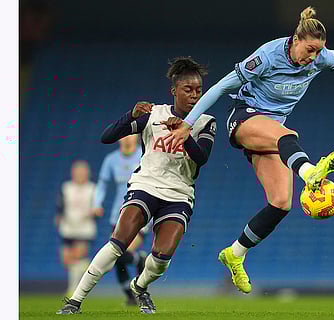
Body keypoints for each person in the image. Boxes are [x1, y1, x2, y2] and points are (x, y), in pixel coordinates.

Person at [164, 6, 334, 294]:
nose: (314, 57)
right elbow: (220, 87)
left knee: (282, 202)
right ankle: (311, 173)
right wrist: (188, 123)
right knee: (287, 135)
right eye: (309, 50)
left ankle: (235, 254)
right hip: (245, 118)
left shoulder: (319, 59)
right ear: (296, 40)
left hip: (271, 135)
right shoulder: (267, 57)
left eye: (319, 52)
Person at [56, 56, 216, 315]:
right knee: (118, 242)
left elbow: (202, 158)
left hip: (179, 193)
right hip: (146, 185)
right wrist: (130, 115)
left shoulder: (206, 121)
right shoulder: (154, 115)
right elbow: (107, 137)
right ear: (174, 91)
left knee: (162, 258)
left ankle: (139, 287)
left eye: (199, 90)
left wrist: (183, 134)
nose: (195, 95)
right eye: (188, 90)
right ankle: (75, 300)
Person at [92, 134, 150, 305]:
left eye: (130, 135)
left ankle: (139, 262)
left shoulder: (144, 154)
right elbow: (102, 184)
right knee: (117, 258)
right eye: (123, 136)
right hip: (116, 216)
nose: (126, 139)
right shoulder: (111, 160)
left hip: (140, 213)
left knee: (121, 253)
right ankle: (130, 295)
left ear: (137, 138)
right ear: (119, 139)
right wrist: (97, 203)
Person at [55, 160, 99, 296]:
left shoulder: (93, 188)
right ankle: (88, 266)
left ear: (87, 173)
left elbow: (97, 208)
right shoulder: (66, 187)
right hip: (68, 227)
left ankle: (73, 289)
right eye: (77, 172)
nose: (80, 174)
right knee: (67, 260)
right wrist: (59, 216)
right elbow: (60, 205)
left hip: (85, 228)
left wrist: (95, 212)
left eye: (83, 172)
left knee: (77, 256)